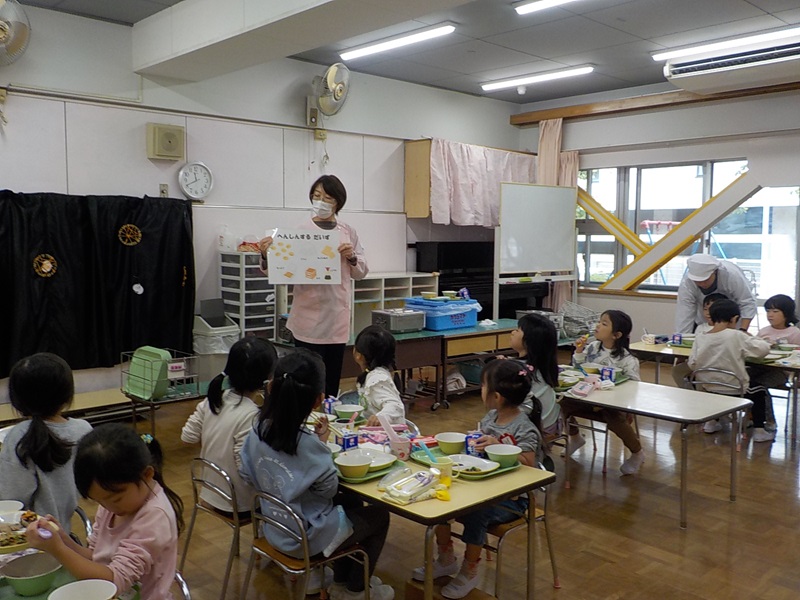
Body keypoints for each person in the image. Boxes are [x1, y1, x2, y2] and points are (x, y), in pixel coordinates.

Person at [239, 350, 394, 600]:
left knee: (352, 503)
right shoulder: (308, 445)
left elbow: (246, 472)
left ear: (270, 388)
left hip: (274, 527)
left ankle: (342, 581)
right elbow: (329, 490)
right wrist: (321, 447)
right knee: (379, 515)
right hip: (303, 538)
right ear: (318, 400)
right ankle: (355, 591)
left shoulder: (257, 428)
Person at [411, 359, 542, 599]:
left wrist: (499, 446)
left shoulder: (524, 427)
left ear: (497, 396)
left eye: (482, 385)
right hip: (482, 487)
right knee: (442, 500)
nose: (481, 390)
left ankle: (470, 571)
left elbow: (529, 465)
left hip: (511, 500)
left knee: (476, 514)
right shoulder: (491, 417)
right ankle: (446, 559)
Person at [28, 424, 184, 600]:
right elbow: (95, 558)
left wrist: (58, 550)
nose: (109, 507)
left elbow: (113, 583)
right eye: (98, 501)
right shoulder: (111, 503)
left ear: (147, 474)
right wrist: (64, 540)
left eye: (115, 499)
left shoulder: (154, 517)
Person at [259, 175, 368, 397]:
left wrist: (352, 258)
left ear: (338, 202)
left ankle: (327, 418)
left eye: (327, 197)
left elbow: (361, 272)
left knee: (330, 381)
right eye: (316, 196)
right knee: (305, 379)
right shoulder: (298, 232)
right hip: (307, 319)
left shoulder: (348, 232)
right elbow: (279, 270)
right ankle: (303, 420)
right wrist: (265, 253)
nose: (321, 202)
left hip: (336, 317)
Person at [181, 337, 278, 517]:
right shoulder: (250, 415)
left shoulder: (216, 398)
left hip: (209, 490)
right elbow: (246, 470)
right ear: (267, 379)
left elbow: (187, 437)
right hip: (237, 503)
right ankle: (270, 541)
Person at [0, 353, 92, 532]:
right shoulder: (84, 429)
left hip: (24, 539)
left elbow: (10, 501)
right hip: (61, 534)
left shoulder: (19, 436)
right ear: (67, 395)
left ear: (16, 400)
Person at [562, 310, 646, 475]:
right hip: (588, 397)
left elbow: (634, 387)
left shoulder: (628, 360)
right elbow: (578, 369)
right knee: (561, 403)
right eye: (599, 322)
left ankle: (637, 453)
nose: (598, 326)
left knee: (614, 418)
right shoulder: (593, 347)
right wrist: (579, 352)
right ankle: (575, 437)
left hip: (612, 403)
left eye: (604, 323)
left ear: (616, 335)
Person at [689, 299, 773, 441]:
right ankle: (759, 430)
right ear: (734, 319)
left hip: (708, 387)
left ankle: (711, 423)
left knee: (718, 388)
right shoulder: (736, 335)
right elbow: (762, 350)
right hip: (736, 389)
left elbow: (692, 363)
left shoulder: (701, 337)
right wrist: (760, 340)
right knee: (759, 390)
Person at [675, 253, 757, 334]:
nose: (702, 284)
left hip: (732, 322)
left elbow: (747, 302)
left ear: (715, 272)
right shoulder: (687, 283)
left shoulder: (732, 276)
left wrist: (743, 330)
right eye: (697, 282)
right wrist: (681, 338)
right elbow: (684, 313)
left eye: (705, 280)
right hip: (704, 322)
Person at [508, 313, 560, 435]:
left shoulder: (516, 370)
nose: (513, 332)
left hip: (529, 431)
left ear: (529, 341)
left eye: (517, 330)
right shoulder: (546, 365)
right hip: (550, 427)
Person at [671, 293, 729, 389]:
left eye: (712, 309)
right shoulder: (701, 327)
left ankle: (700, 393)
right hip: (698, 363)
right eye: (705, 309)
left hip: (717, 364)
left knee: (700, 375)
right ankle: (689, 392)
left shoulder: (727, 330)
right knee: (677, 371)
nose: (708, 312)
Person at [352, 325, 405, 426]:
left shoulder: (377, 378)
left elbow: (395, 406)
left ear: (358, 355)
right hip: (373, 433)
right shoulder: (373, 373)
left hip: (387, 436)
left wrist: (382, 417)